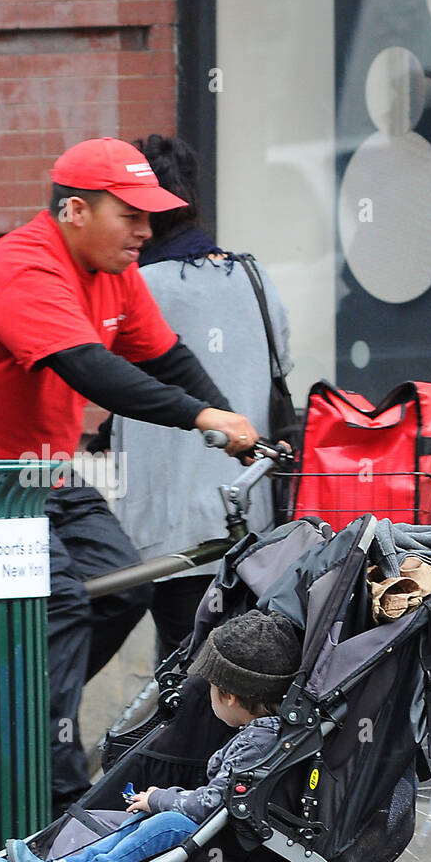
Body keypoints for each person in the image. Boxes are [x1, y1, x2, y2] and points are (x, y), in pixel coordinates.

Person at [0, 138, 260, 815]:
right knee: (58, 597)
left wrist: (231, 422)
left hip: (34, 468)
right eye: (133, 216)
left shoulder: (114, 271)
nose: (147, 231)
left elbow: (165, 358)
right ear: (76, 210)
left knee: (121, 585)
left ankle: (10, 711)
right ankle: (52, 784)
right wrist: (203, 415)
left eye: (152, 218)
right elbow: (92, 370)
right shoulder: (27, 268)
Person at [109, 134, 292, 663]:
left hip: (168, 532)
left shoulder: (132, 287)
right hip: (249, 521)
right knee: (234, 678)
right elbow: (278, 371)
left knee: (183, 672)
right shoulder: (256, 279)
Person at [0, 610, 300, 862]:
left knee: (168, 822)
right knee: (150, 817)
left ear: (228, 695)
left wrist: (159, 797)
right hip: (231, 840)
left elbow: (212, 804)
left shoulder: (257, 743)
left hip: (237, 850)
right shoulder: (267, 736)